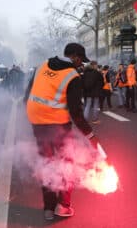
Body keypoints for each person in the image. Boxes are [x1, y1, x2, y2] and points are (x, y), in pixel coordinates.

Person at [26, 43, 100, 220]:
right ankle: (63, 206)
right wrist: (90, 135)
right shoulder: (72, 76)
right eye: (80, 59)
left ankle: (48, 209)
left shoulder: (42, 65)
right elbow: (76, 112)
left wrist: (33, 117)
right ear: (74, 56)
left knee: (47, 163)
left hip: (37, 123)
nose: (81, 64)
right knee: (67, 162)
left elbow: (28, 93)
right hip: (58, 125)